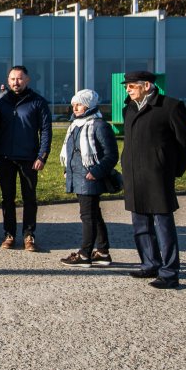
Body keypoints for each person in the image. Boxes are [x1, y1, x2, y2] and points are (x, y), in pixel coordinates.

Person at [120, 71, 186, 289]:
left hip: (158, 175)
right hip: (134, 175)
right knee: (140, 223)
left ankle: (170, 272)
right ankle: (150, 263)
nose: (127, 90)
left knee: (163, 225)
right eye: (126, 86)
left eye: (131, 86)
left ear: (146, 85)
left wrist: (172, 168)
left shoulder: (170, 106)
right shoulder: (130, 109)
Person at [0, 65, 52, 252]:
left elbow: (46, 131)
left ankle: (28, 235)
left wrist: (42, 155)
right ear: (8, 81)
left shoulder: (38, 102)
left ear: (27, 80)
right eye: (12, 79)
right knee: (7, 198)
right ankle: (9, 234)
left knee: (29, 198)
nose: (16, 82)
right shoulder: (2, 103)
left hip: (29, 158)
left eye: (19, 78)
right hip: (5, 158)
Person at [58, 89, 118, 267]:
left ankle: (84, 255)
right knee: (94, 215)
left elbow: (111, 155)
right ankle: (103, 252)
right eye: (73, 104)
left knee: (88, 216)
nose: (75, 107)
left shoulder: (98, 125)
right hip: (77, 176)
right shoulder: (76, 125)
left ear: (89, 105)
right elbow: (72, 153)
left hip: (89, 178)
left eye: (79, 104)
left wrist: (96, 172)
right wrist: (67, 169)